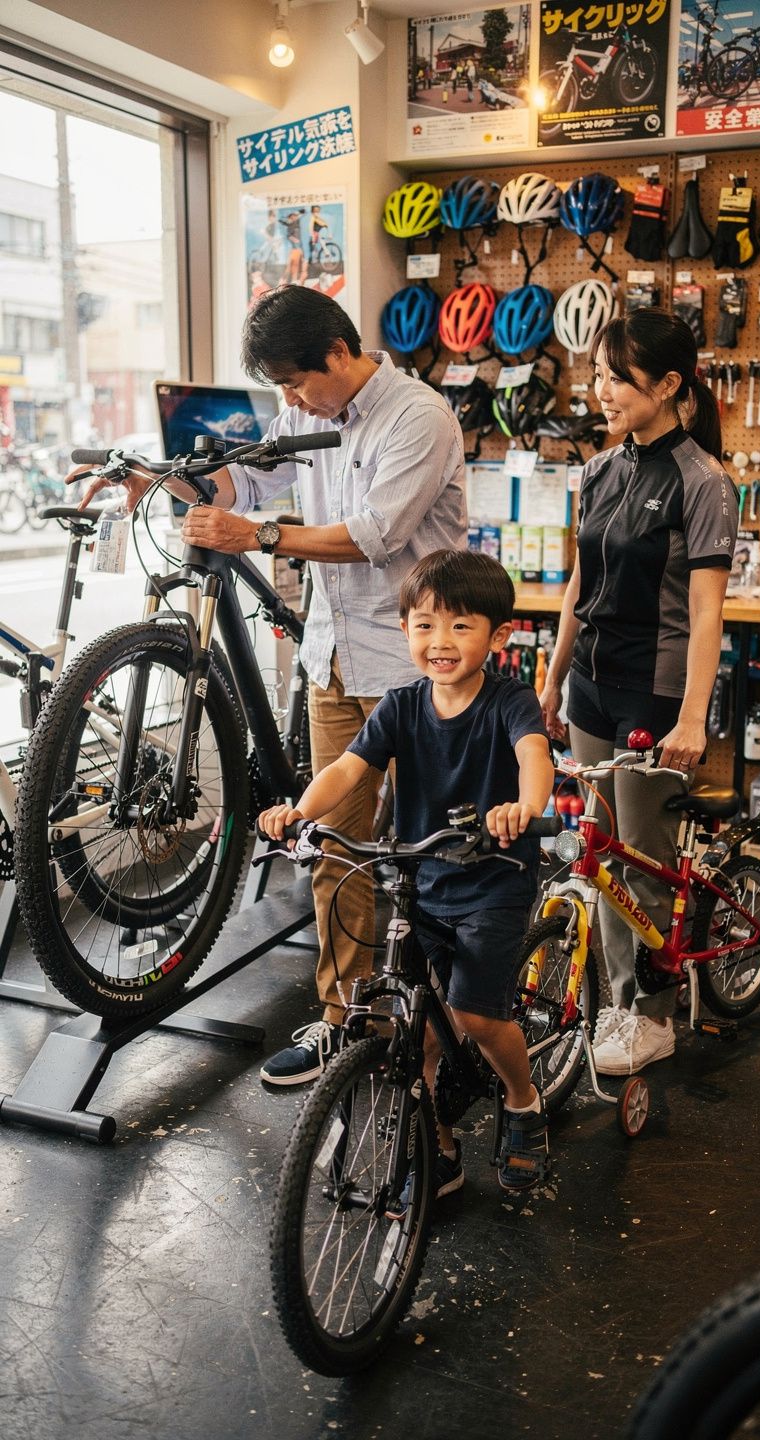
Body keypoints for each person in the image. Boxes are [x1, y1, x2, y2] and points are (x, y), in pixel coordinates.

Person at [77, 286, 467, 1086]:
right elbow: (245, 488)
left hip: (421, 668)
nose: (287, 402)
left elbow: (372, 537)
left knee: (433, 856)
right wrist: (165, 483)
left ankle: (450, 1025)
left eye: (294, 383)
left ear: (335, 354)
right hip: (335, 660)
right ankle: (343, 1018)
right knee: (337, 850)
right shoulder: (305, 415)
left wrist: (255, 535)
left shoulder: (418, 417)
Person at [259, 549, 555, 1194]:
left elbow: (534, 756)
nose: (439, 642)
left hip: (492, 880)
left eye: (459, 626)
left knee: (476, 1016)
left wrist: (525, 808)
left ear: (497, 636)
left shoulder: (510, 702)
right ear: (405, 632)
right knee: (407, 1030)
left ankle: (523, 1100)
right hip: (421, 883)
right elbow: (347, 769)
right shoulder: (399, 705)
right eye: (424, 625)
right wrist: (298, 812)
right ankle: (438, 1146)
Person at [540, 309, 738, 1077]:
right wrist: (553, 679)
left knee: (642, 864)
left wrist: (693, 714)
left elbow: (706, 610)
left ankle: (650, 1016)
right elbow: (577, 585)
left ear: (667, 385)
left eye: (617, 377)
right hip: (590, 687)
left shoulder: (704, 481)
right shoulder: (599, 470)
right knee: (599, 859)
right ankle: (616, 999)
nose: (602, 390)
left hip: (653, 699)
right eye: (598, 373)